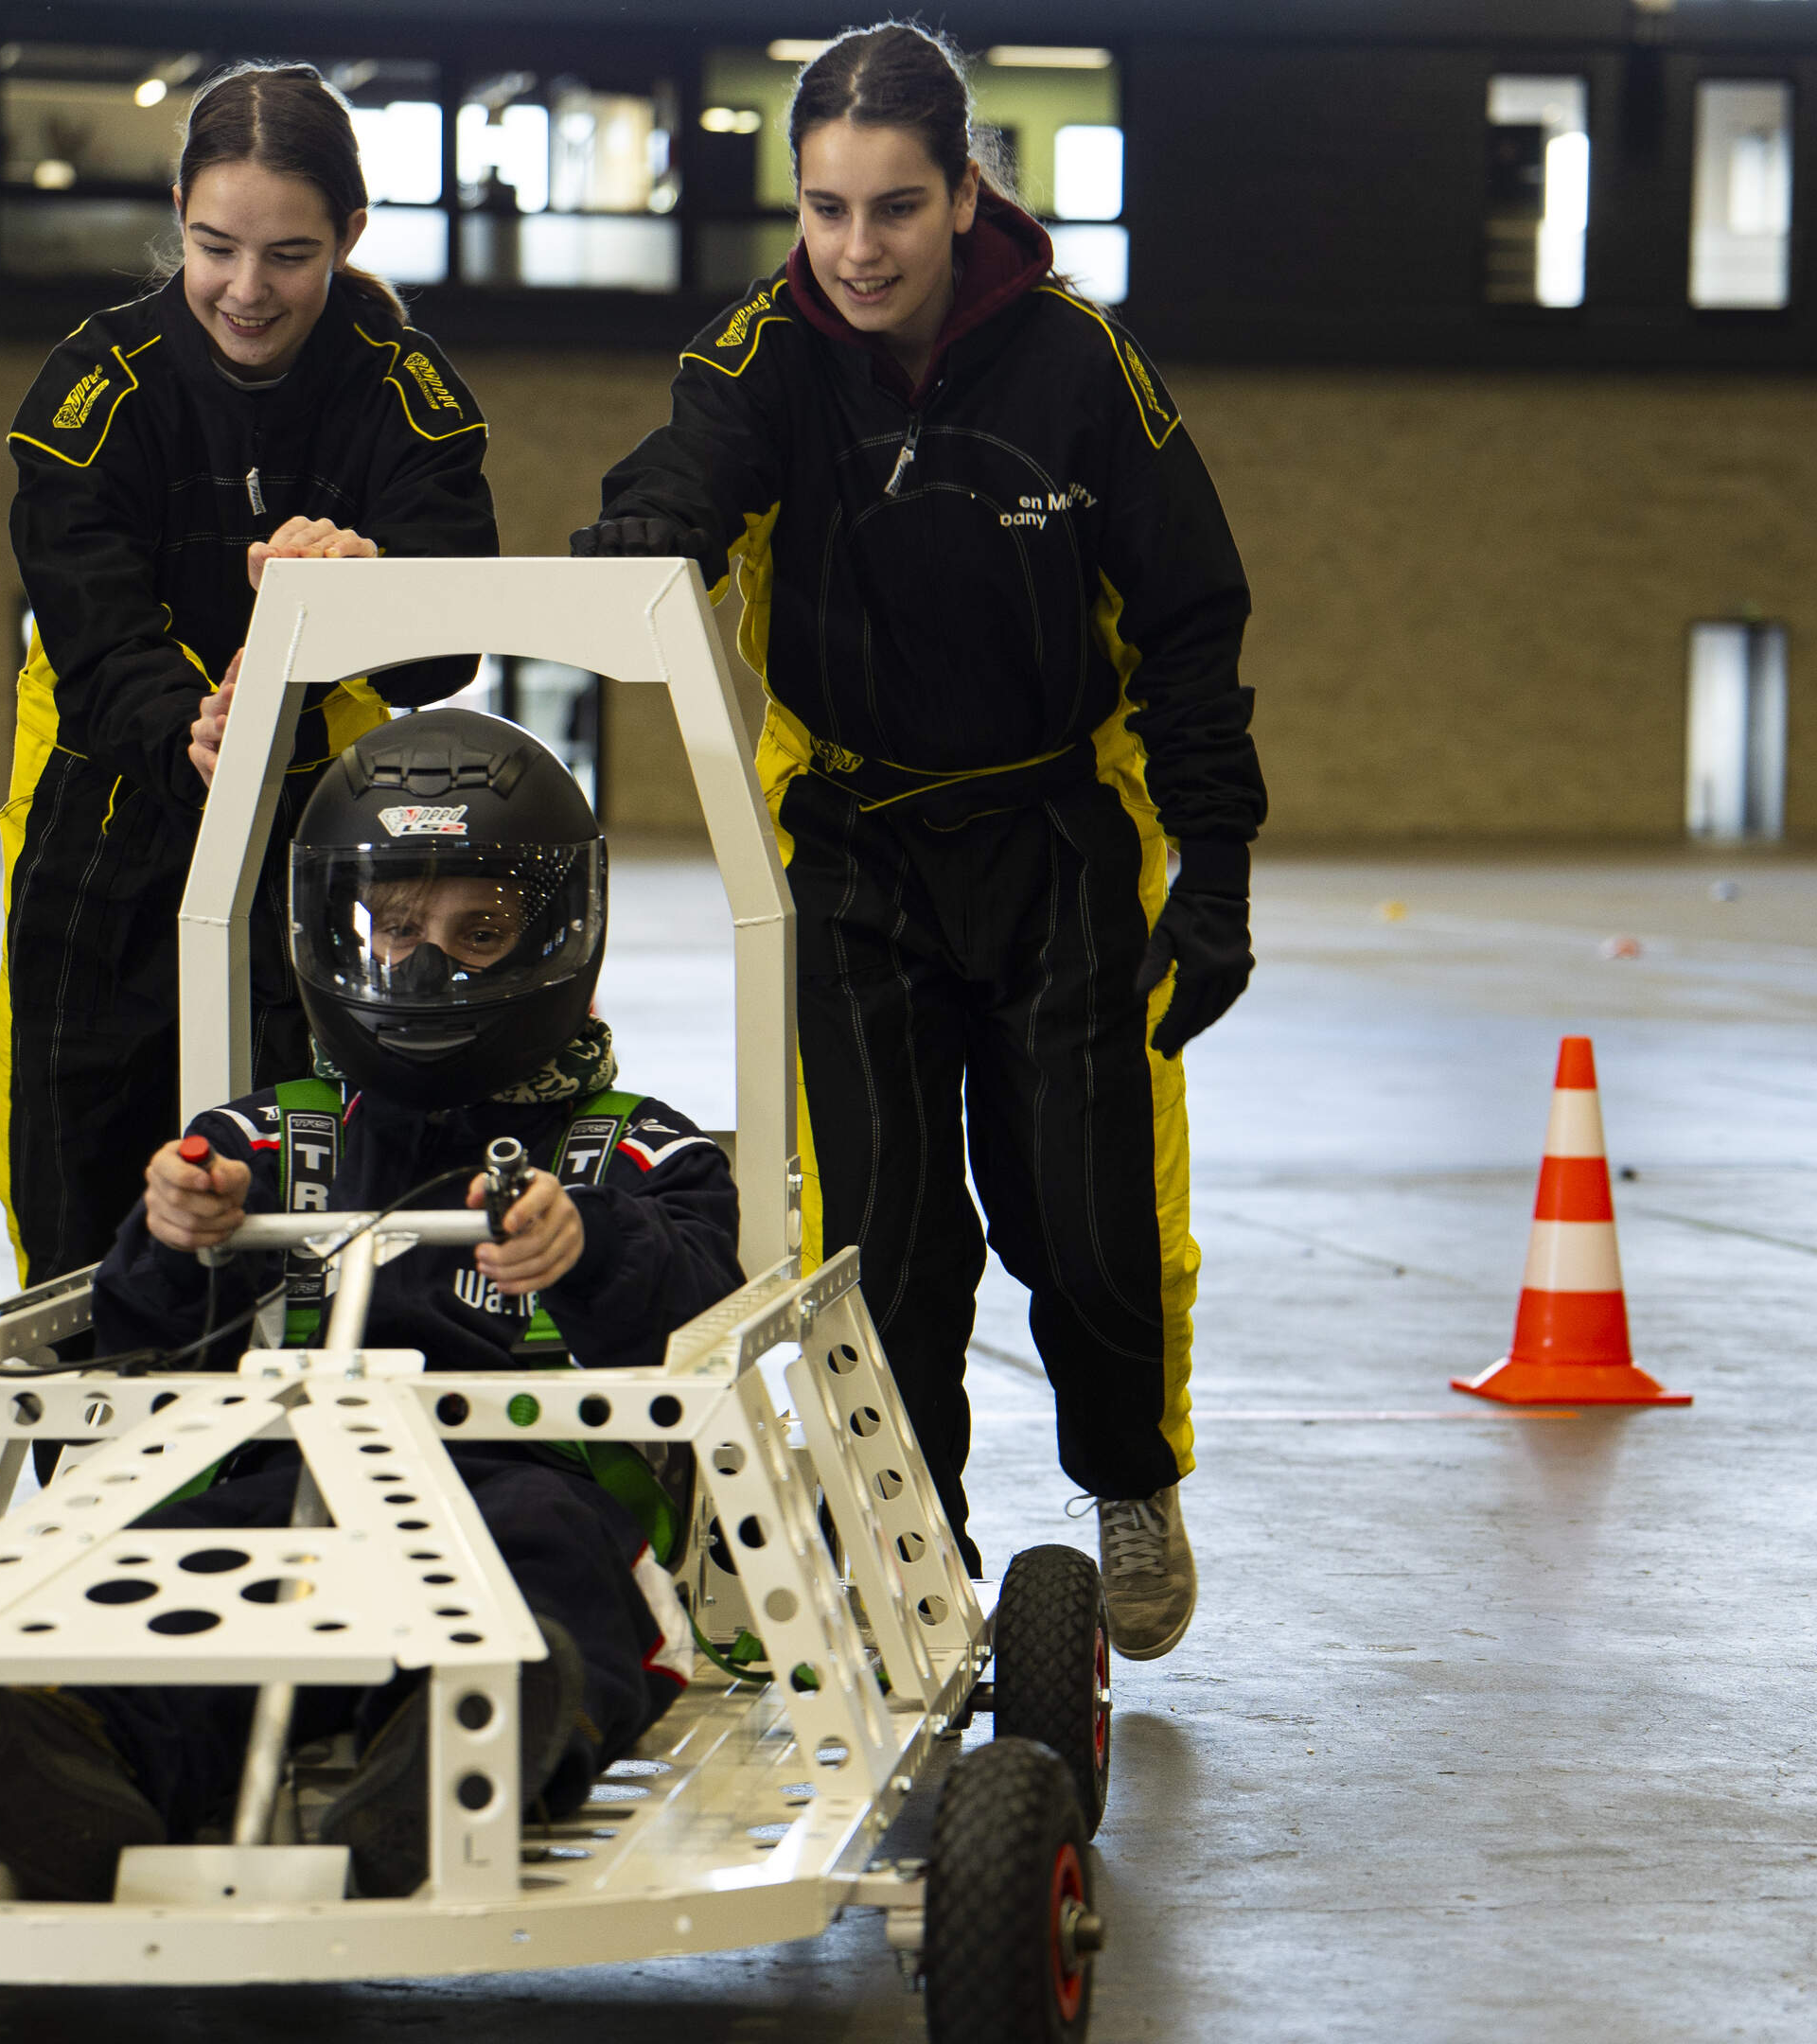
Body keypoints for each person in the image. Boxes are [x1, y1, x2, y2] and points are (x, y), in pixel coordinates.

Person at [570, 23, 1260, 1660]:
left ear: (964, 194)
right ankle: (910, 1544)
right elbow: (697, 459)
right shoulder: (766, 353)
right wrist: (658, 522)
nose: (857, 250)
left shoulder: (1083, 368)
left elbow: (1189, 624)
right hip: (852, 845)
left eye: (893, 208)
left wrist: (1217, 873)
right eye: (824, 210)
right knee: (887, 1238)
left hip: (1058, 841)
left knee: (1088, 1219)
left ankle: (1130, 1480)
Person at [0, 711, 746, 1902]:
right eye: (394, 929)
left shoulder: (642, 1151)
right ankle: (74, 1747)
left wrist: (590, 1243)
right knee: (175, 1562)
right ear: (332, 929)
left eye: (480, 934)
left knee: (551, 1570)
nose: (423, 968)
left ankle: (454, 1750)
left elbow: (703, 1321)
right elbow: (147, 1351)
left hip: (529, 1481)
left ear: (564, 936)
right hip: (294, 1478)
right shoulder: (263, 1137)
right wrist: (183, 1233)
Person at [0, 62, 499, 1290]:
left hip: (322, 829)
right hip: (105, 814)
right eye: (215, 248)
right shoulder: (96, 387)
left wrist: (372, 586)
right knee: (80, 1178)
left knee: (308, 1169)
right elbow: (95, 627)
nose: (247, 290)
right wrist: (190, 728)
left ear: (350, 236)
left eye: (289, 256)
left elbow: (448, 645)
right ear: (178, 212)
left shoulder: (402, 386)